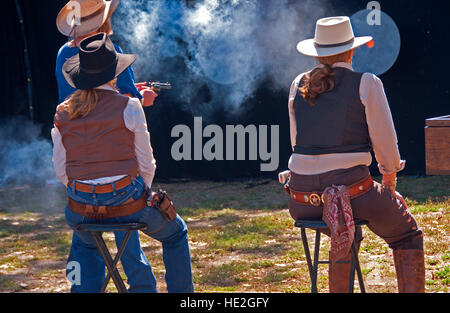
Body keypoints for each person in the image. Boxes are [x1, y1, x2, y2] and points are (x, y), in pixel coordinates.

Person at [285, 16, 424, 293]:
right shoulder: (367, 83)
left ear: (317, 53)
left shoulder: (298, 84)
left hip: (302, 201)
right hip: (355, 194)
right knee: (408, 235)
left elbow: (297, 144)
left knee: (345, 231)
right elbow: (386, 146)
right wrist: (389, 186)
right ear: (352, 50)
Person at [51, 33, 194, 293]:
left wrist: (85, 189)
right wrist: (143, 193)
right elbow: (147, 162)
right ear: (113, 74)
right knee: (177, 234)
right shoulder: (130, 105)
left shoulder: (62, 112)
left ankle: (84, 289)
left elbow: (61, 170)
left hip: (81, 205)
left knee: (84, 242)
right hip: (127, 202)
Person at [54, 0, 160, 292]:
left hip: (81, 169)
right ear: (102, 22)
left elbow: (78, 103)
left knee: (85, 229)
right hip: (119, 170)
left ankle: (82, 287)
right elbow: (124, 103)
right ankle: (142, 287)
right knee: (130, 234)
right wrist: (143, 99)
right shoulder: (111, 52)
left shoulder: (64, 53)